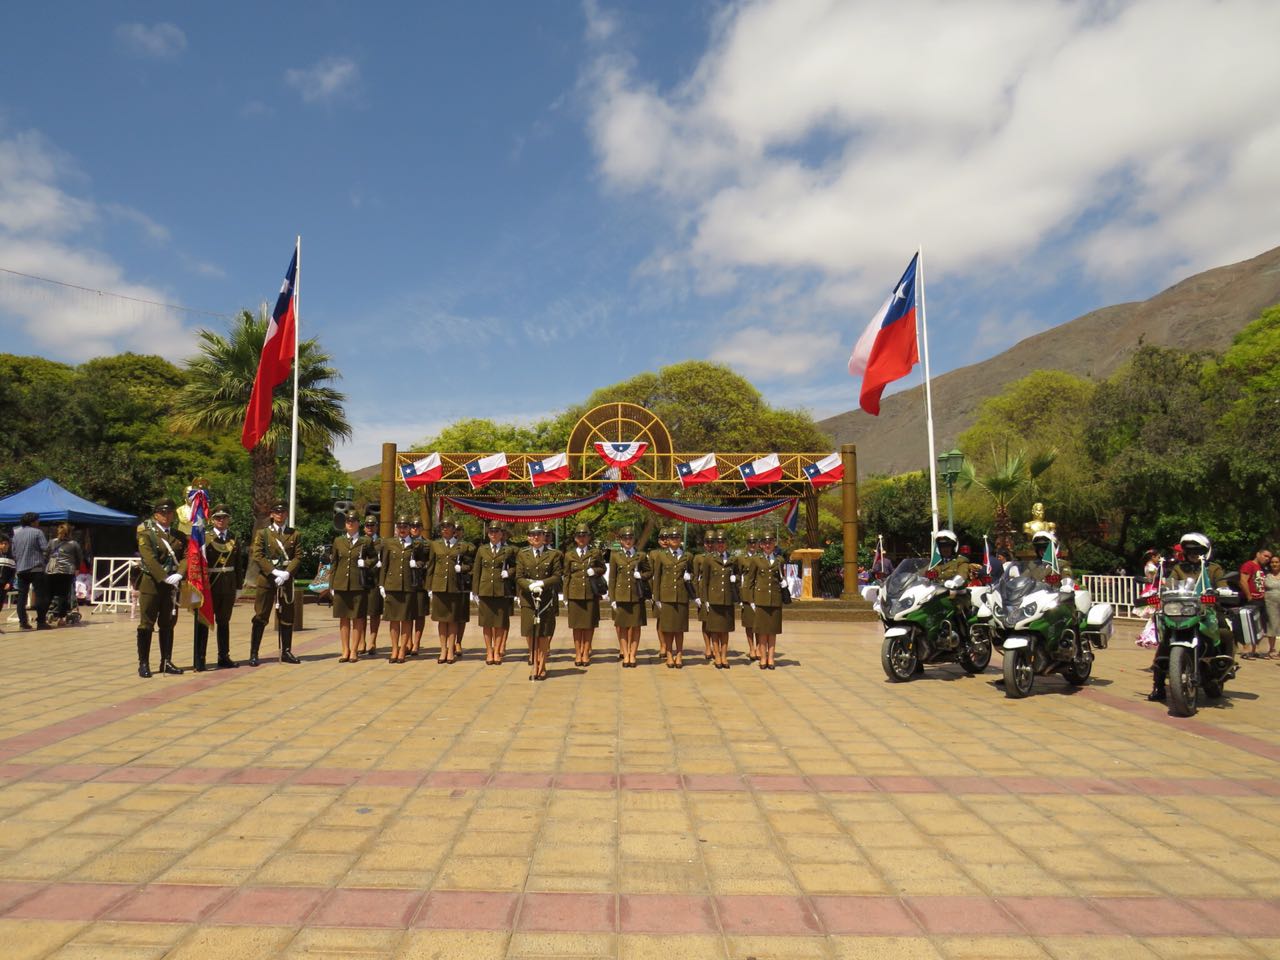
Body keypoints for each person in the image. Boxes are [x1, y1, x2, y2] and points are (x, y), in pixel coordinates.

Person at [1148, 532, 1232, 702]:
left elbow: (1223, 585)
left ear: (1205, 552)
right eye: (1190, 551)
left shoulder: (1213, 568)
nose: (1193, 554)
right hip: (1181, 611)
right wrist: (1160, 591)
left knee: (1225, 630)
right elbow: (1170, 584)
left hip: (1208, 610)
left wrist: (1223, 591)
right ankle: (1158, 685)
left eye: (1197, 551)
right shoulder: (1179, 568)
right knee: (1164, 640)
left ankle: (1224, 666)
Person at [135, 499, 187, 677]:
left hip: (172, 585)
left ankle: (166, 661)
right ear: (156, 514)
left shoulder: (179, 536)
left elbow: (187, 557)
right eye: (163, 513)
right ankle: (143, 663)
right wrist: (165, 578)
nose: (166, 516)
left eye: (170, 513)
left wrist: (180, 573)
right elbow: (148, 559)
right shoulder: (147, 534)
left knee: (167, 623)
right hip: (152, 583)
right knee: (146, 624)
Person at [249, 500, 302, 666]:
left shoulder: (294, 534)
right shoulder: (263, 533)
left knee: (287, 616)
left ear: (286, 514)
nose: (280, 515)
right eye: (277, 512)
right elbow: (258, 555)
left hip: (285, 579)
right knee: (260, 616)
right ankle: (254, 653)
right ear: (272, 514)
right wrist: (273, 571)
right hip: (267, 579)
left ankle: (286, 651)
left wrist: (286, 573)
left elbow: (298, 556)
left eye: (283, 512)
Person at [198, 503, 241, 670]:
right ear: (212, 520)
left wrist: (238, 586)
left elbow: (237, 564)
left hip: (228, 586)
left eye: (224, 517)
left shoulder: (234, 538)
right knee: (204, 622)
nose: (221, 520)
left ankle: (224, 656)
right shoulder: (205, 537)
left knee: (224, 622)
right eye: (217, 518)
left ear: (228, 519)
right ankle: (200, 658)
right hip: (210, 586)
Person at [516, 523, 562, 680]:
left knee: (543, 634)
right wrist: (530, 586)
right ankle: (534, 662)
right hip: (529, 599)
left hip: (546, 600)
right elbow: (519, 577)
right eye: (533, 534)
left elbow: (557, 576)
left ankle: (541, 665)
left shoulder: (554, 554)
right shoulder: (523, 554)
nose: (536, 537)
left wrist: (542, 583)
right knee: (530, 633)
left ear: (544, 537)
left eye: (539, 534)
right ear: (529, 538)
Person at [331, 508, 377, 662]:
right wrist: (332, 585)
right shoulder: (339, 541)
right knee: (343, 618)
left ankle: (354, 651)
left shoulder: (366, 541)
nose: (350, 524)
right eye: (348, 521)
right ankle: (345, 650)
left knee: (357, 618)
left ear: (358, 524)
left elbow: (375, 559)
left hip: (358, 584)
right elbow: (334, 564)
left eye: (353, 521)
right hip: (341, 584)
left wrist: (365, 562)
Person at [427, 517, 474, 664]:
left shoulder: (462, 546)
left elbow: (470, 566)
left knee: (453, 620)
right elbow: (431, 566)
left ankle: (451, 650)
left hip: (455, 587)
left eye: (448, 526)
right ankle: (443, 650)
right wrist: (429, 587)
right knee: (441, 620)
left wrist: (462, 568)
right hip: (439, 586)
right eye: (443, 527)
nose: (445, 529)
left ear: (454, 529)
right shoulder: (435, 545)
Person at [472, 520, 516, 665]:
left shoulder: (507, 550)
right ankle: (489, 651)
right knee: (486, 623)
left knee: (499, 623)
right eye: (491, 532)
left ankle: (497, 651)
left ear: (501, 534)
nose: (494, 534)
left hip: (500, 590)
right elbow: (477, 571)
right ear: (488, 533)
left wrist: (508, 572)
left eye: (496, 532)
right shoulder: (482, 550)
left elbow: (516, 567)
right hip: (485, 590)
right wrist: (475, 591)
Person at [380, 516, 421, 663]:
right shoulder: (389, 543)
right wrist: (381, 584)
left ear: (409, 528)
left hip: (408, 586)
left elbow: (424, 561)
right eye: (400, 526)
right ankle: (394, 649)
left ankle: (403, 649)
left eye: (405, 527)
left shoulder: (416, 545)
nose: (402, 529)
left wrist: (416, 564)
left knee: (406, 619)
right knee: (394, 619)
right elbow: (384, 564)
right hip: (392, 585)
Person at [608, 526, 651, 668]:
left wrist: (642, 576)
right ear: (620, 540)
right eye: (625, 538)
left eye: (630, 538)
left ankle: (633, 654)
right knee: (622, 627)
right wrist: (612, 598)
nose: (628, 541)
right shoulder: (615, 556)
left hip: (636, 595)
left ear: (634, 540)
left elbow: (649, 572)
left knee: (636, 627)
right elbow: (612, 578)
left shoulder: (641, 555)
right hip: (621, 596)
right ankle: (625, 654)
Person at [651, 526, 693, 668]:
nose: (674, 540)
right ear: (667, 540)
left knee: (680, 629)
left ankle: (679, 654)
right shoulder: (661, 556)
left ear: (680, 540)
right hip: (666, 597)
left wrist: (690, 576)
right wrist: (656, 598)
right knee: (668, 629)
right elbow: (657, 577)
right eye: (672, 538)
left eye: (677, 538)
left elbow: (693, 574)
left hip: (681, 596)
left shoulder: (687, 556)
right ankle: (669, 654)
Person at [743, 531, 785, 670]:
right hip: (760, 599)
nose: (768, 545)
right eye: (765, 543)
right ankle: (763, 657)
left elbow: (781, 578)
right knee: (762, 630)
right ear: (761, 545)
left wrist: (784, 583)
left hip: (775, 599)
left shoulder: (779, 560)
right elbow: (749, 581)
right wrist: (750, 600)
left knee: (772, 630)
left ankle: (771, 658)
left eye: (770, 542)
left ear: (774, 544)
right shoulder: (756, 560)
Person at [563, 523, 603, 667]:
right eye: (579, 536)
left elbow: (602, 568)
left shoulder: (595, 553)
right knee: (576, 626)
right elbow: (567, 575)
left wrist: (595, 570)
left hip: (590, 593)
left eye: (584, 535)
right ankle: (578, 652)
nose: (581, 538)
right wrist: (566, 596)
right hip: (574, 594)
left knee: (589, 625)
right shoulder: (569, 555)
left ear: (589, 538)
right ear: (575, 538)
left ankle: (586, 652)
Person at [697, 528, 738, 669]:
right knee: (714, 630)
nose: (720, 544)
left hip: (727, 599)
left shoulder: (732, 559)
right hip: (714, 599)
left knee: (725, 630)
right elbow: (705, 581)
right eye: (718, 542)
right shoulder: (709, 559)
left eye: (723, 541)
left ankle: (724, 656)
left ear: (727, 543)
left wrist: (735, 578)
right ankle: (717, 656)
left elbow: (738, 577)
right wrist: (705, 600)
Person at [11, 512, 50, 631]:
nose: (38, 522)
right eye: (37, 520)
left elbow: (13, 552)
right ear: (33, 522)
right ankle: (41, 622)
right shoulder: (37, 532)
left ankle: (23, 622)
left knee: (22, 596)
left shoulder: (16, 535)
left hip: (21, 569)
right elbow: (45, 548)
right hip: (36, 568)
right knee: (40, 595)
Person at [45, 523, 83, 625]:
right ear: (70, 532)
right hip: (66, 572)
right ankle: (61, 618)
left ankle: (44, 615)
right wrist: (77, 568)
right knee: (63, 595)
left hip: (51, 571)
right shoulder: (73, 544)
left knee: (49, 594)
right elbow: (79, 558)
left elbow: (45, 554)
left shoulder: (52, 542)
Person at [1238, 545, 1272, 659]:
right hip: (1251, 599)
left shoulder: (1262, 569)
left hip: (1261, 600)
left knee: (1259, 625)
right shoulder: (1249, 565)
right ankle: (1246, 651)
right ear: (1258, 554)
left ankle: (1255, 650)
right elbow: (1243, 581)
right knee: (1248, 625)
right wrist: (1249, 597)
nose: (1267, 559)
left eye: (1269, 557)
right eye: (1265, 556)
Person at [361, 514, 383, 656]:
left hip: (375, 580)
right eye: (368, 525)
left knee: (374, 612)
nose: (370, 528)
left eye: (372, 525)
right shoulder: (359, 541)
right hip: (361, 579)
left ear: (376, 527)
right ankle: (361, 641)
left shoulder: (382, 543)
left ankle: (372, 641)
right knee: (360, 613)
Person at [407, 517, 429, 657]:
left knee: (420, 614)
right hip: (407, 582)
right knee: (407, 613)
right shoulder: (406, 543)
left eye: (417, 526)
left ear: (421, 528)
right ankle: (408, 642)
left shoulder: (427, 544)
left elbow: (429, 562)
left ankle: (416, 642)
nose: (414, 528)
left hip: (421, 582)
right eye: (412, 526)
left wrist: (419, 565)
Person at [739, 530, 760, 661]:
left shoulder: (762, 557)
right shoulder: (741, 559)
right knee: (749, 624)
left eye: (755, 542)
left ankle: (758, 647)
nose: (752, 545)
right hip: (747, 593)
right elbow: (737, 576)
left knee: (759, 624)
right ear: (747, 544)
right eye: (750, 542)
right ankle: (751, 648)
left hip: (759, 593)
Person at [1261, 554, 1280, 660]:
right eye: (1272, 562)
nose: (1274, 564)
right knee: (1272, 626)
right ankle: (1272, 649)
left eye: (1277, 562)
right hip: (1270, 603)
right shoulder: (1266, 575)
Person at [0, 534, 14, 634]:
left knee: (0, 604)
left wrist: (9, 582)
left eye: (6, 544)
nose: (4, 546)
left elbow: (12, 573)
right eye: (2, 544)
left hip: (4, 584)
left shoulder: (11, 558)